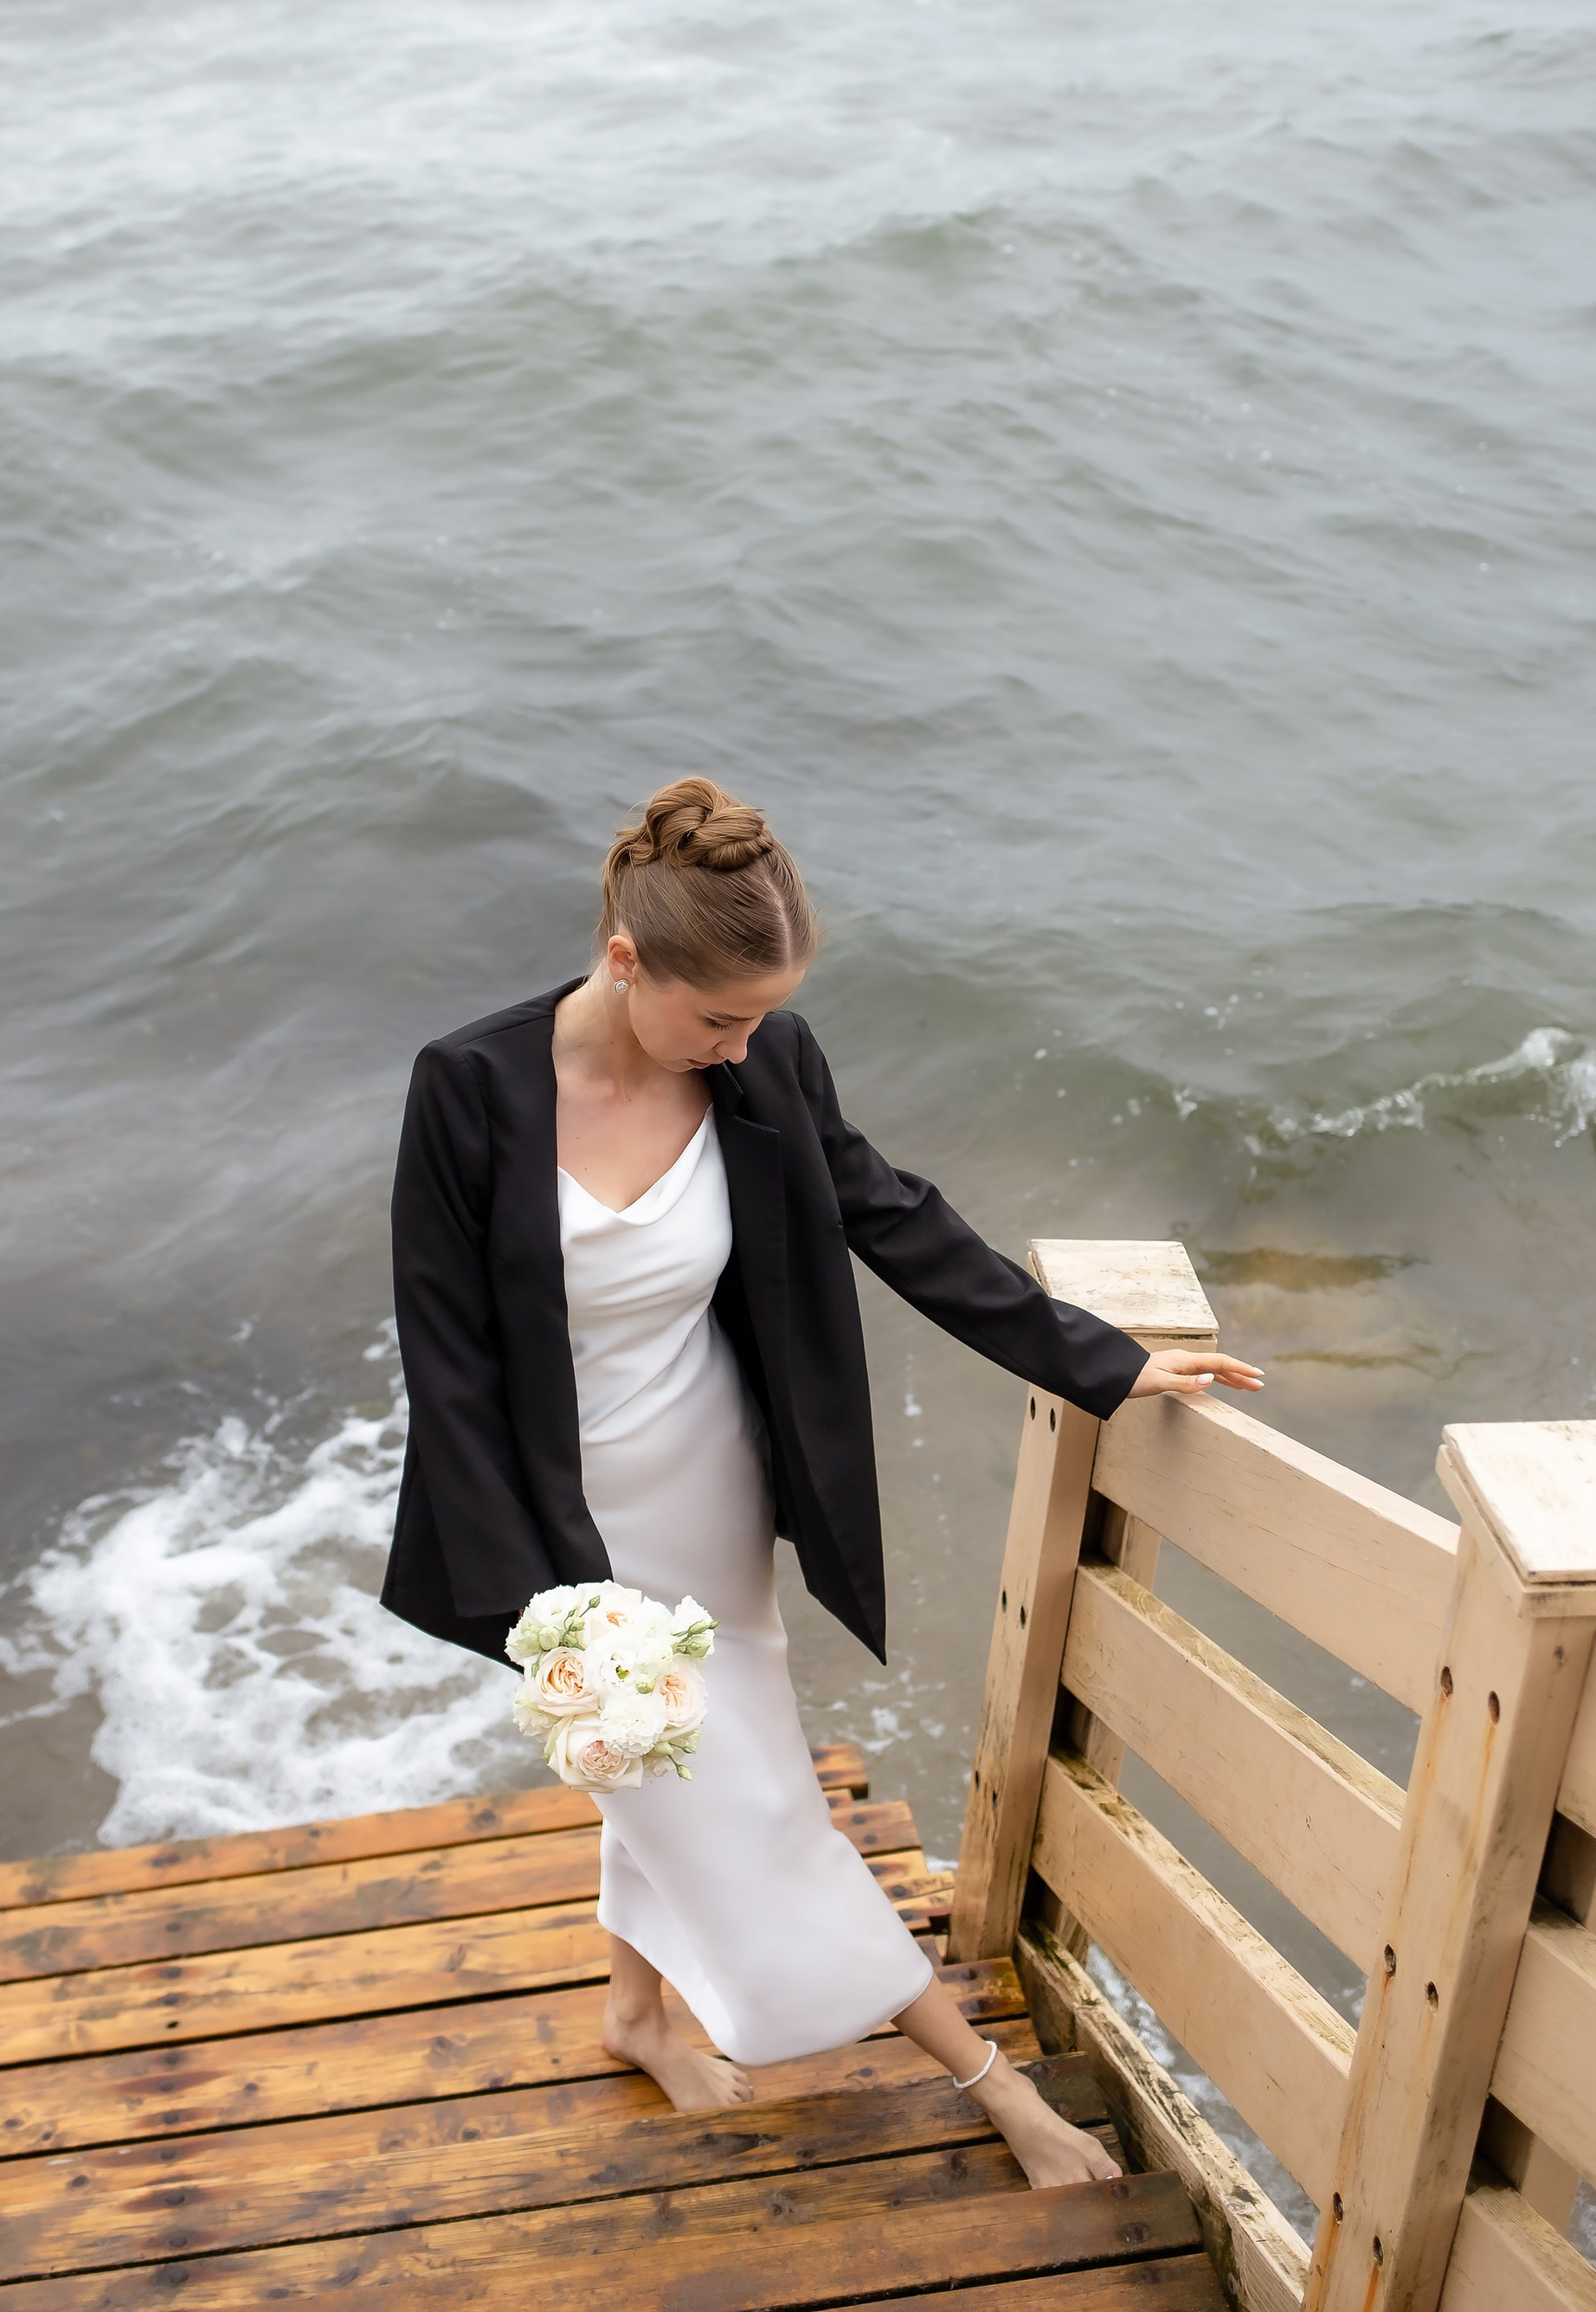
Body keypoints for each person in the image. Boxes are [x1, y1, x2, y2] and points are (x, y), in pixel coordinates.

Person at [383, 776, 1264, 2187]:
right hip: (563, 1529)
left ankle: (634, 2014)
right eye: (716, 1020)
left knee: (693, 1782)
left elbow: (891, 1215)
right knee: (736, 1804)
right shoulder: (471, 1089)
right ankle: (994, 2089)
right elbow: (452, 1364)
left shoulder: (766, 1063)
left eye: (759, 1020)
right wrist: (557, 1604)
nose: (742, 1048)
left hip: (713, 1490)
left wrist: (1105, 1361)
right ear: (625, 961)